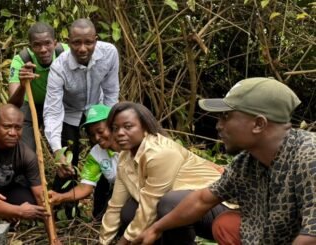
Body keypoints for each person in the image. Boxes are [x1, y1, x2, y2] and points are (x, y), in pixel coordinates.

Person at [134, 77, 316, 245]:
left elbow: (311, 236)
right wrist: (155, 228)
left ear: (259, 124)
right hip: (277, 235)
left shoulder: (309, 156)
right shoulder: (246, 162)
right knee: (226, 224)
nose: (218, 125)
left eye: (226, 117)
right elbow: (201, 200)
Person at [100, 102, 229, 245]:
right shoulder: (125, 157)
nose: (120, 133)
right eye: (115, 128)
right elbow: (115, 205)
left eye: (128, 126)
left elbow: (149, 206)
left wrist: (123, 242)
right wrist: (103, 241)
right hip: (186, 205)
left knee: (170, 203)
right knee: (129, 211)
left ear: (145, 127)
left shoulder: (161, 153)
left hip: (222, 207)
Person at [43, 18, 120, 214]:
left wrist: (111, 125)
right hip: (69, 112)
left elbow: (111, 92)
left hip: (98, 110)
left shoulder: (109, 53)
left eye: (88, 42)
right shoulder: (58, 67)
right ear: (68, 42)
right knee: (68, 162)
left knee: (107, 158)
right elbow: (53, 111)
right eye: (76, 42)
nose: (83, 48)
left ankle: (100, 213)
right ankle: (63, 214)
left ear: (96, 40)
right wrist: (58, 153)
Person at [49, 104, 120, 218]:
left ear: (113, 126)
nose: (97, 138)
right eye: (92, 135)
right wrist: (60, 197)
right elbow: (85, 187)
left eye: (100, 131)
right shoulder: (96, 153)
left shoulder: (130, 145)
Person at [8, 22, 69, 150]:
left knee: (65, 147)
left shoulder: (66, 54)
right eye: (37, 45)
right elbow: (13, 104)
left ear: (55, 43)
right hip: (31, 105)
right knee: (27, 149)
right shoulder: (21, 61)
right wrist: (23, 84)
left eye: (47, 43)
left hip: (58, 103)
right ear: (30, 47)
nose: (43, 50)